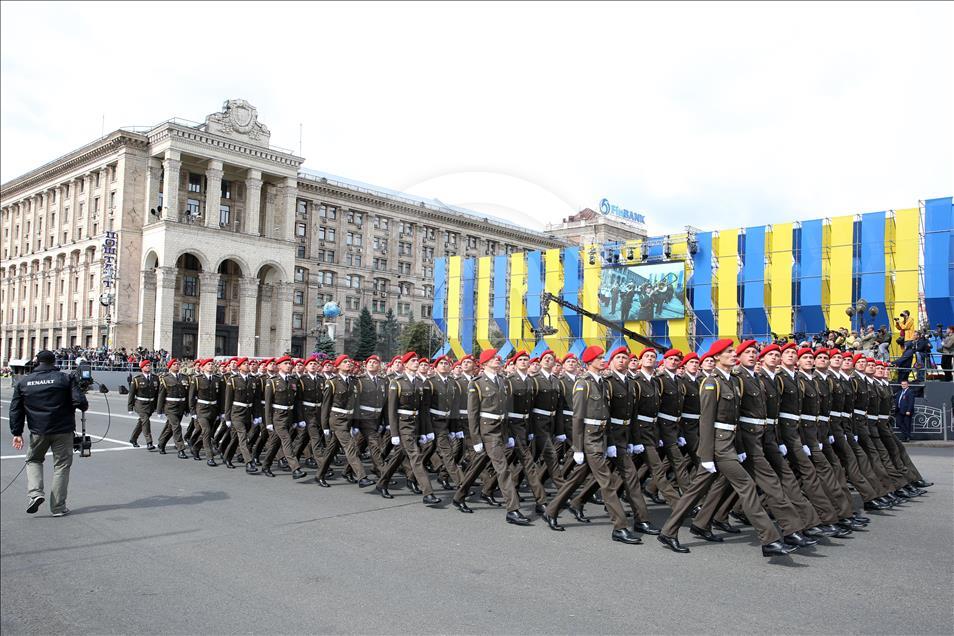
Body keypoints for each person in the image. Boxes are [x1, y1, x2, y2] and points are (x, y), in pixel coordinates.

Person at [8, 350, 89, 516]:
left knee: (33, 460)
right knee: (62, 466)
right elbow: (81, 403)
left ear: (37, 361)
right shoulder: (65, 378)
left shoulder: (24, 382)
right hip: (63, 430)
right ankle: (58, 507)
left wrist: (17, 432)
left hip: (38, 430)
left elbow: (15, 409)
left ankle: (36, 493)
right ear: (54, 362)